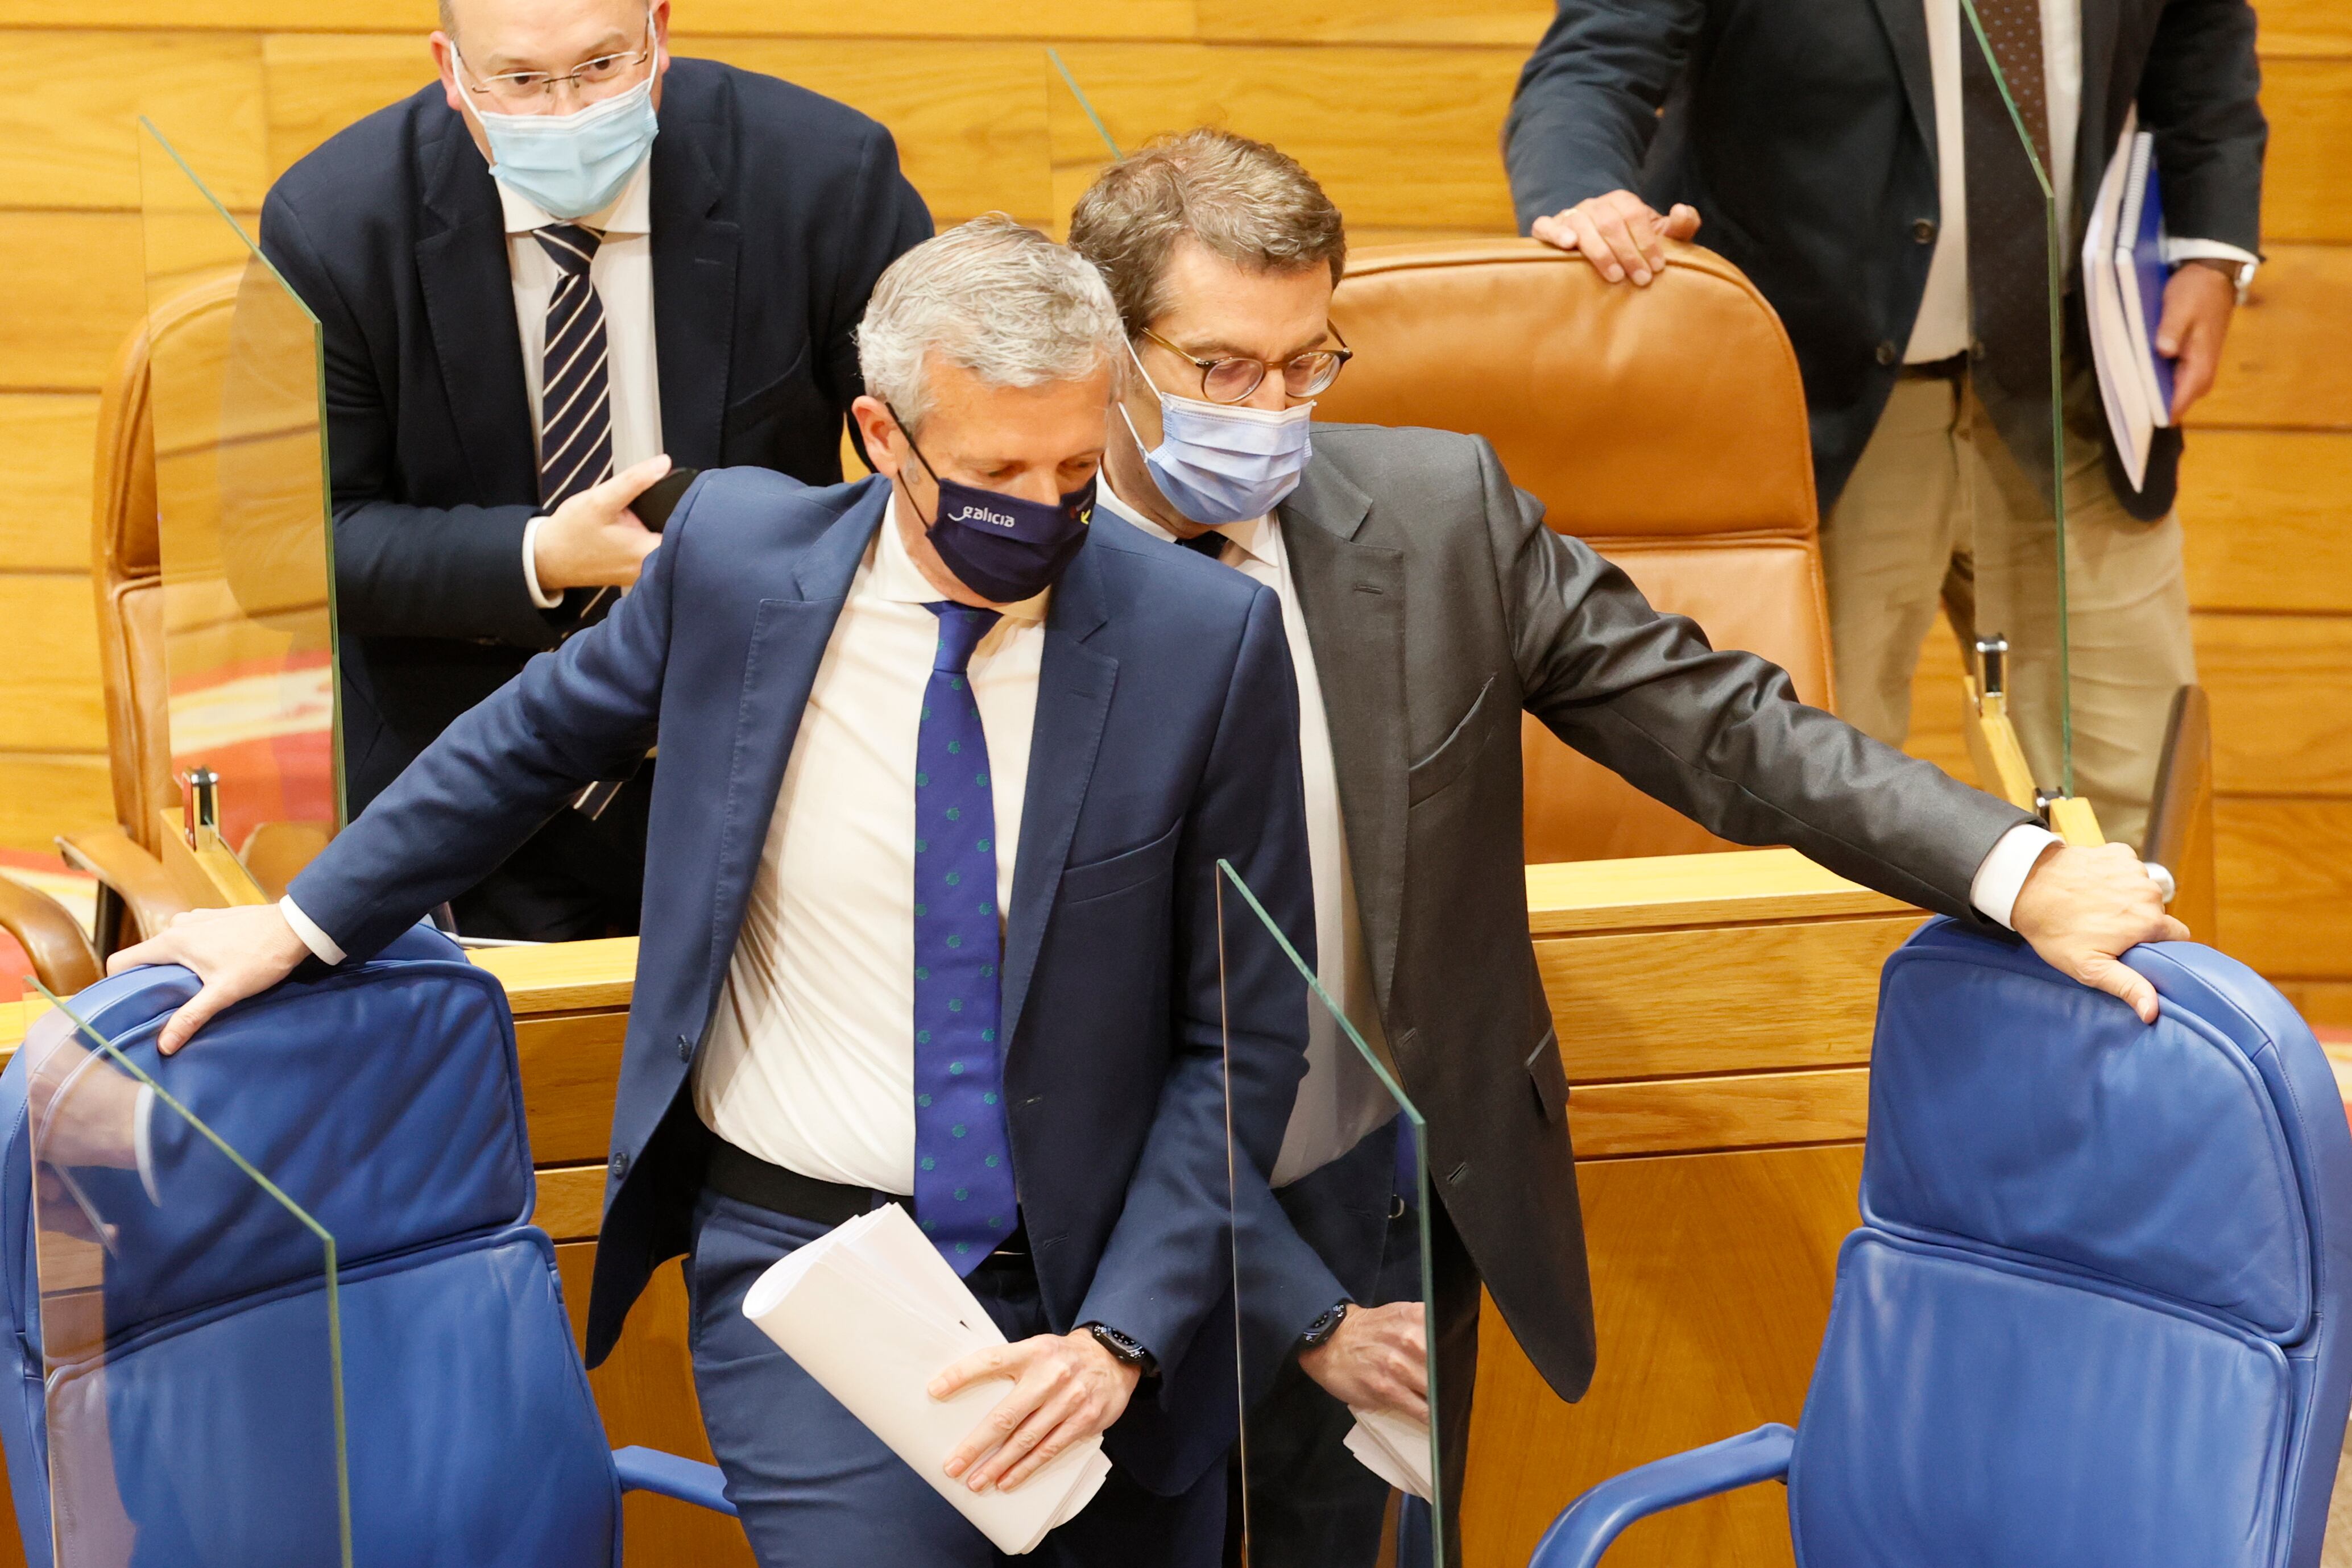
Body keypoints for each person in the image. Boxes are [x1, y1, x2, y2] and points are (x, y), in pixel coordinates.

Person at [107, 219, 1315, 1568]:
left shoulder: (1204, 641)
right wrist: (300, 921)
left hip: (1103, 1285)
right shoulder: (740, 560)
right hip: (815, 1257)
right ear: (880, 433)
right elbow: (531, 743)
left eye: (1075, 470)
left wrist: (1120, 1335)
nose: (1038, 511)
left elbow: (1244, 1034)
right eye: (993, 473)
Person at [1065, 127, 2188, 1561]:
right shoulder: (1012, 566)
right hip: (1101, 1214)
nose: (1272, 413)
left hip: (1375, 1191)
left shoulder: (1432, 512)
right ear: (1105, 350)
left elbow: (1721, 723)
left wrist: (2015, 867)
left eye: (1308, 363)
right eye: (1223, 370)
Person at [1503, 0, 2266, 853]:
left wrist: (2211, 243)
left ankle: (2136, 989)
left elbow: (2201, 36)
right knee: (1816, 791)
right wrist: (1588, 201)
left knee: (2139, 791)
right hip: (1816, 391)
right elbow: (1594, 61)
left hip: (2067, 383)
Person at [258, 0, 933, 940]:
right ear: (451, 71)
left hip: (772, 758)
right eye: (523, 81)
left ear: (659, 32)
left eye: (602, 64)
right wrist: (542, 555)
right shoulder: (336, 222)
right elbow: (287, 548)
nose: (569, 109)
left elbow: (931, 462)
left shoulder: (823, 178)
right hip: (465, 787)